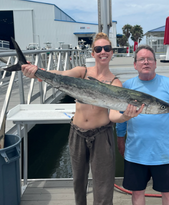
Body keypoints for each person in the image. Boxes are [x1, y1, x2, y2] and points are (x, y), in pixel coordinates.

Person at [21, 32, 123, 205]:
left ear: (112, 52)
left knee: (103, 184)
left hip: (101, 135)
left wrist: (125, 115)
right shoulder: (82, 72)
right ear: (93, 53)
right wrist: (37, 72)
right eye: (98, 49)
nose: (103, 52)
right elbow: (60, 74)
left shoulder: (115, 83)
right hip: (77, 132)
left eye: (107, 48)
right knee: (78, 181)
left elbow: (114, 114)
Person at [109, 45, 169, 205]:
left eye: (149, 59)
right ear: (135, 65)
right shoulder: (127, 86)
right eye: (141, 59)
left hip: (163, 153)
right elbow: (122, 117)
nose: (146, 62)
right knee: (137, 192)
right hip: (135, 152)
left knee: (168, 193)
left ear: (156, 63)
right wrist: (120, 140)